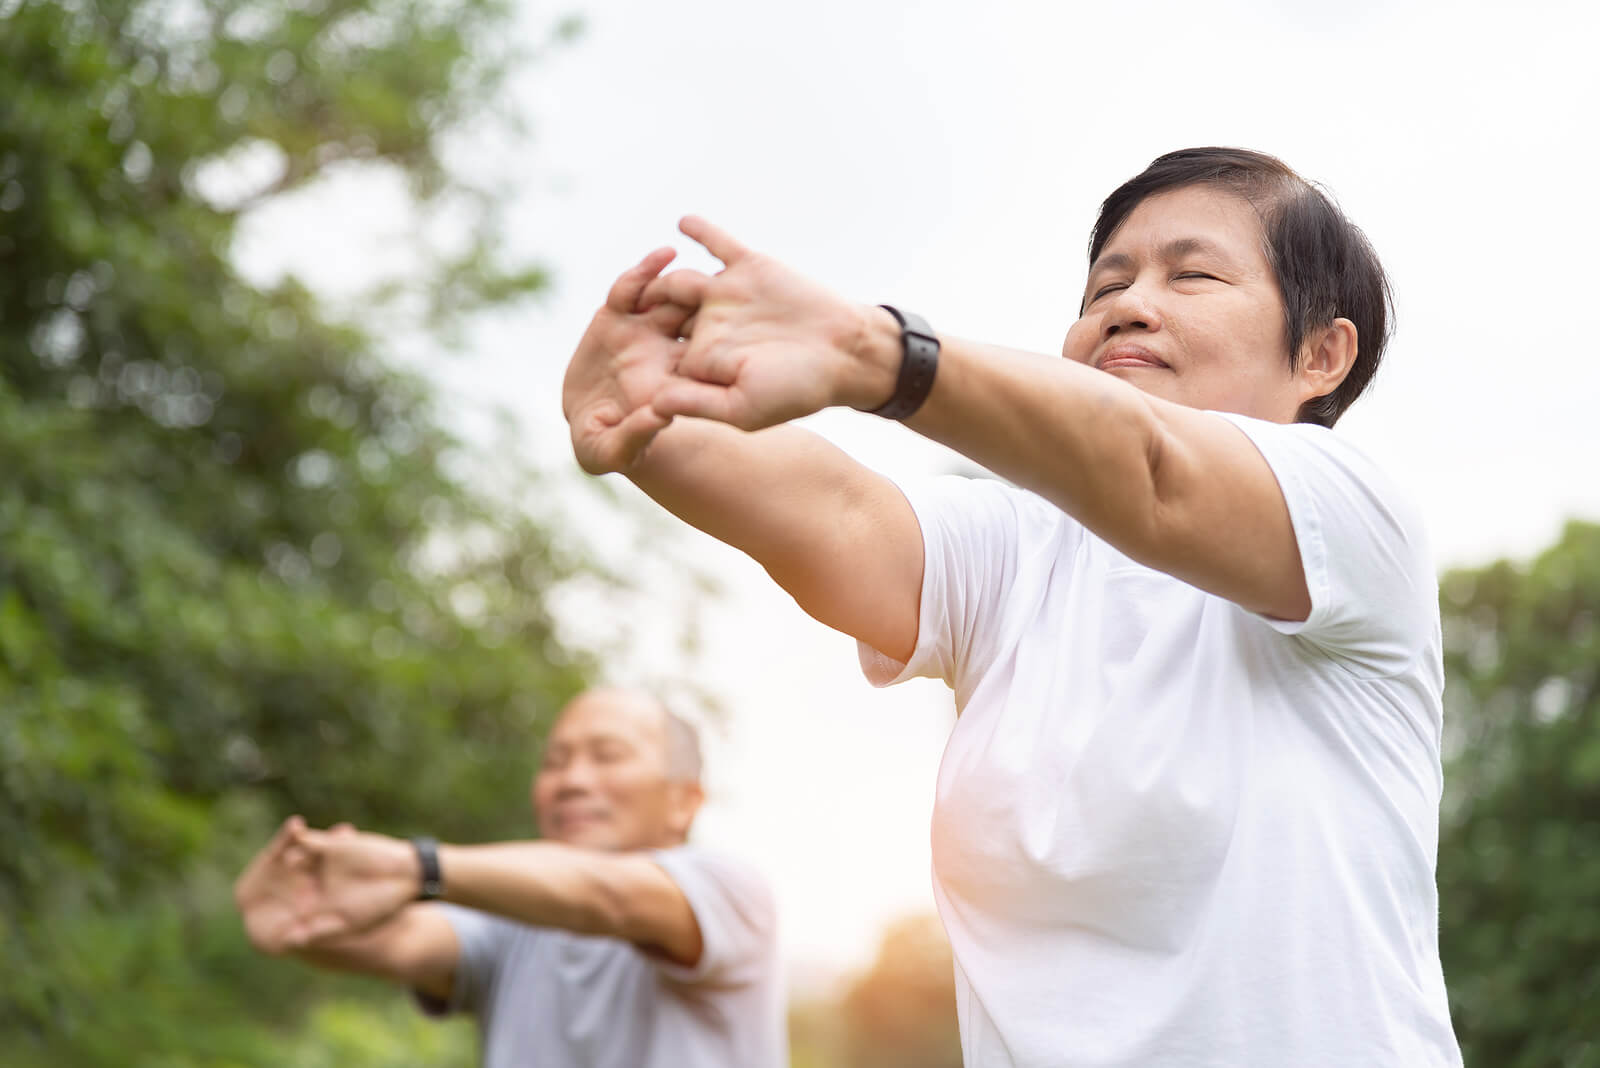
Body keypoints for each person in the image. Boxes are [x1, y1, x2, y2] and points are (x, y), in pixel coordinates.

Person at [562, 147, 1462, 1066]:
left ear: (1320, 354)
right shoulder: (1024, 549)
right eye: (1106, 283)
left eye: (1191, 275)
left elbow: (1154, 473)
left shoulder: (1353, 520)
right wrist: (647, 419)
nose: (1130, 303)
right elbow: (843, 516)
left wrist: (873, 353)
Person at [233, 686, 786, 1068]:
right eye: (554, 761)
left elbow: (610, 896)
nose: (571, 779)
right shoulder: (511, 922)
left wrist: (416, 865)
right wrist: (305, 912)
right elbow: (399, 940)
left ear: (684, 802)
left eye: (607, 756)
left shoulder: (726, 888)